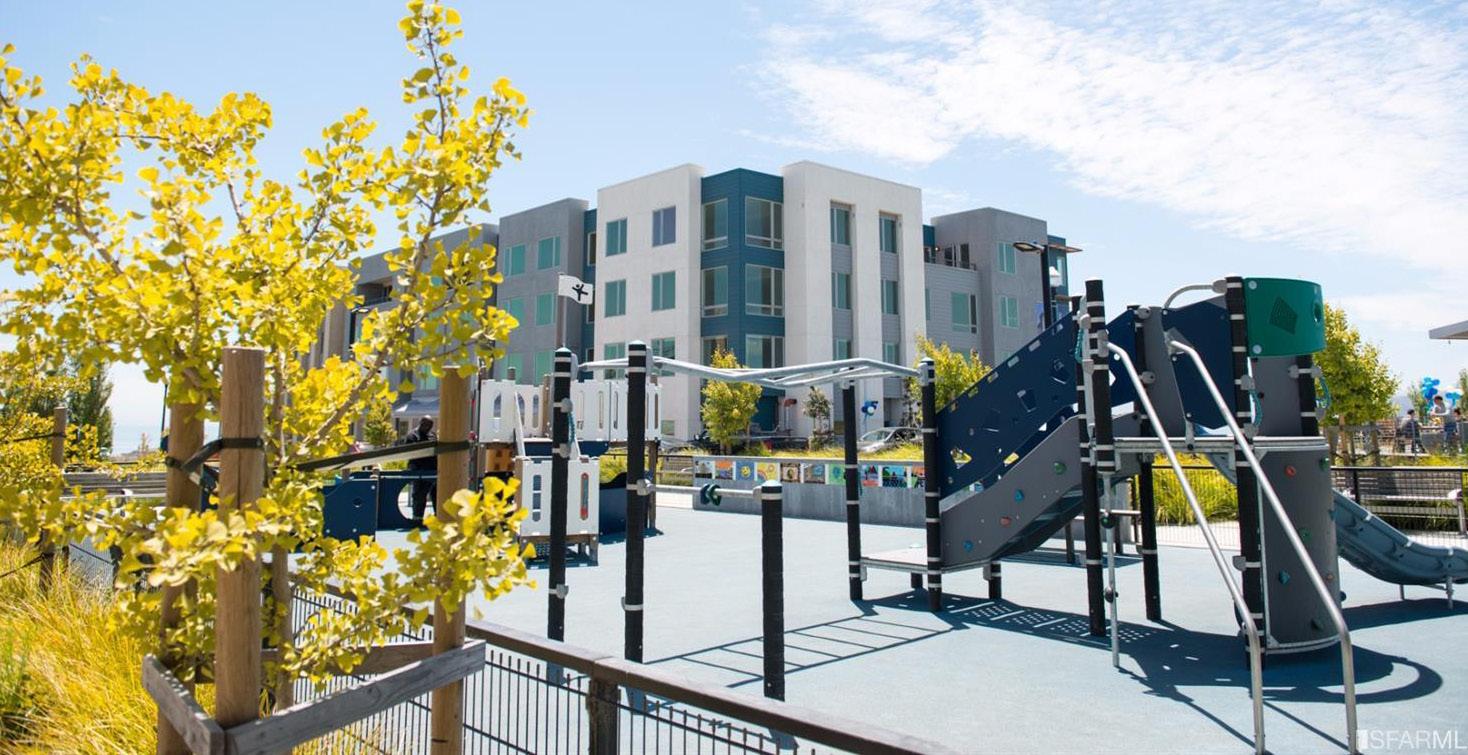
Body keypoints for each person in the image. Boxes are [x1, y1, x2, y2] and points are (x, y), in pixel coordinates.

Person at [402, 416, 437, 526]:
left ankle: (438, 517)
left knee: (436, 494)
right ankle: (417, 518)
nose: (428, 428)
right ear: (421, 423)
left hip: (433, 470)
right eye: (426, 425)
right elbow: (409, 453)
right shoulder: (412, 436)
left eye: (430, 426)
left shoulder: (432, 435)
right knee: (419, 495)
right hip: (419, 469)